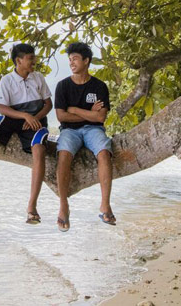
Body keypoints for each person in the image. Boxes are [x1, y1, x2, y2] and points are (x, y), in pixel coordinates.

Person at [0, 43, 53, 225]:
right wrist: (24, 115)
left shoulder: (38, 78)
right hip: (14, 117)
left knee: (39, 149)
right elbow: (2, 109)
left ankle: (32, 206)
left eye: (34, 57)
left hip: (36, 120)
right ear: (19, 60)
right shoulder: (7, 80)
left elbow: (48, 104)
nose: (34, 61)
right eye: (30, 58)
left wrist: (34, 118)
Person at [54, 42, 115, 231]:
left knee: (104, 153)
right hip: (69, 131)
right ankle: (63, 205)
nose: (71, 63)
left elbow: (100, 117)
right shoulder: (63, 86)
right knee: (63, 155)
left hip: (93, 130)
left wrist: (75, 109)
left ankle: (105, 205)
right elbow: (61, 116)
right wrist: (88, 112)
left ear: (86, 61)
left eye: (75, 59)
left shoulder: (99, 86)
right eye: (70, 59)